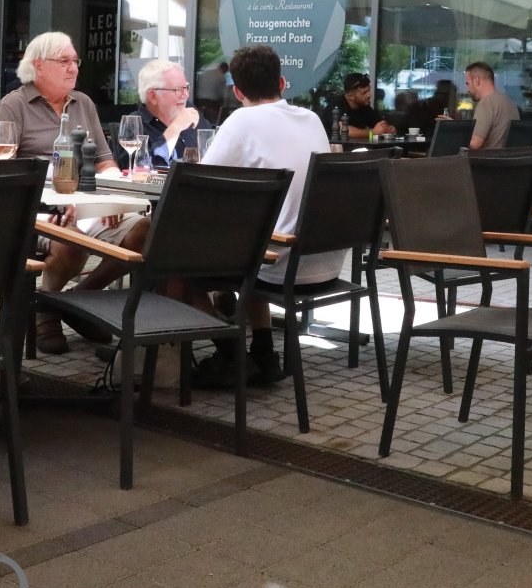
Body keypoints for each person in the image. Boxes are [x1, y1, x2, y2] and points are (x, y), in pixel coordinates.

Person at [0, 31, 140, 355]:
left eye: (75, 60)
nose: (73, 68)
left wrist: (111, 197)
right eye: (64, 61)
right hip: (38, 207)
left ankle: (74, 301)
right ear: (38, 66)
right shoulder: (14, 105)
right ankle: (48, 310)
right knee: (70, 241)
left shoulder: (83, 103)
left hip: (87, 202)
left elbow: (104, 159)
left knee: (144, 231)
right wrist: (54, 198)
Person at [197, 44, 341, 387]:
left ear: (237, 91)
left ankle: (231, 352)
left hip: (281, 265)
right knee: (259, 234)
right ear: (281, 82)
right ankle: (263, 350)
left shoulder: (241, 120)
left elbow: (199, 186)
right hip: (324, 261)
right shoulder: (311, 119)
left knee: (173, 268)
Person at [134, 57, 213, 167]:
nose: (186, 95)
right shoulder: (134, 126)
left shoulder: (190, 111)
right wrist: (176, 128)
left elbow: (214, 145)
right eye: (178, 89)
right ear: (153, 96)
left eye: (186, 87)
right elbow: (142, 168)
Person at [464, 61, 519, 149]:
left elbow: (474, 143)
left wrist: (453, 131)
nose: (467, 89)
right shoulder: (509, 102)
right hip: (508, 156)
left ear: (476, 81)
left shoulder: (486, 103)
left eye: (468, 83)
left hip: (488, 157)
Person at [341, 72, 394, 138]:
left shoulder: (365, 107)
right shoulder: (337, 104)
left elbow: (380, 125)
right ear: (350, 95)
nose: (369, 95)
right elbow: (342, 130)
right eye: (364, 93)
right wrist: (373, 132)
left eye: (369, 90)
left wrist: (388, 128)